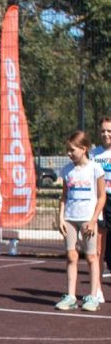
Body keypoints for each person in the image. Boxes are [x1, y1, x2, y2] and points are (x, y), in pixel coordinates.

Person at [56, 130, 105, 312]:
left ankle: (93, 297)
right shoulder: (67, 170)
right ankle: (70, 296)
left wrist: (93, 220)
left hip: (88, 219)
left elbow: (101, 197)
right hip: (70, 218)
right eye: (68, 150)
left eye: (72, 150)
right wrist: (61, 218)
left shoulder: (95, 169)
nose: (69, 153)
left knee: (91, 257)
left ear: (83, 149)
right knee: (71, 256)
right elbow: (64, 196)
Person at [91, 115, 111, 299]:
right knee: (98, 248)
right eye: (103, 130)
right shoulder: (93, 155)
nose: (106, 134)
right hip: (100, 202)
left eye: (109, 131)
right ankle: (97, 289)